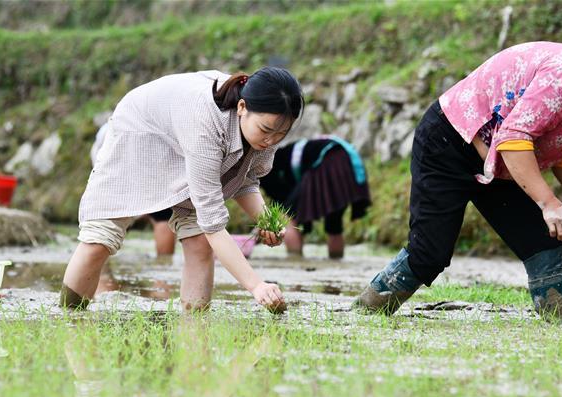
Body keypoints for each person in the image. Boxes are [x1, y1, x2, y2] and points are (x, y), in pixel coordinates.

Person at [354, 32, 562, 320]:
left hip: (502, 161)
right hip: (452, 139)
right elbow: (514, 140)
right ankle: (364, 313)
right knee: (430, 253)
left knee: (543, 240)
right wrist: (549, 201)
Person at [62, 67, 304, 312]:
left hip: (184, 138)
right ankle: (68, 318)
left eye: (281, 134)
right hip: (140, 133)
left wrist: (265, 221)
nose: (271, 141)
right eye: (265, 130)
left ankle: (194, 329)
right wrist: (256, 286)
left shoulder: (265, 130)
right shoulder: (205, 126)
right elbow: (213, 223)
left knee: (199, 241)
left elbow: (245, 179)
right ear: (242, 107)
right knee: (100, 239)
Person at [259, 136, 371, 259]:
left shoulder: (274, 162)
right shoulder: (293, 153)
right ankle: (336, 261)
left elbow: (282, 197)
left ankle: (294, 260)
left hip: (329, 162)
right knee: (334, 224)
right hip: (348, 165)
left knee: (287, 215)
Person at [91, 123, 177, 257]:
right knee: (162, 215)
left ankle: (102, 271)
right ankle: (162, 269)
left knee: (106, 225)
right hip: (135, 165)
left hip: (127, 165)